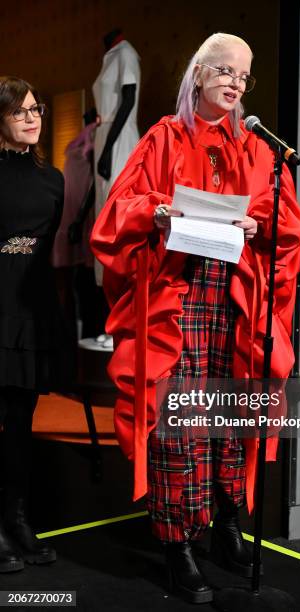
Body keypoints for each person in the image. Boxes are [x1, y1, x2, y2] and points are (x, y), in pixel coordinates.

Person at [91, 33, 300, 603]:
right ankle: (177, 542)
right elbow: (121, 208)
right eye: (227, 71)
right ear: (198, 74)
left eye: (245, 76)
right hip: (179, 292)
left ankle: (225, 527)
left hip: (234, 295)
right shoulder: (166, 136)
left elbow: (285, 219)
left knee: (232, 411)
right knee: (178, 416)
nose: (237, 83)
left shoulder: (259, 148)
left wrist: (259, 226)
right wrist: (158, 211)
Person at [0, 76, 71, 572]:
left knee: (21, 422)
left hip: (32, 307)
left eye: (36, 109)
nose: (32, 118)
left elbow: (42, 247)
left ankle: (17, 519)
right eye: (20, 111)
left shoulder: (55, 180)